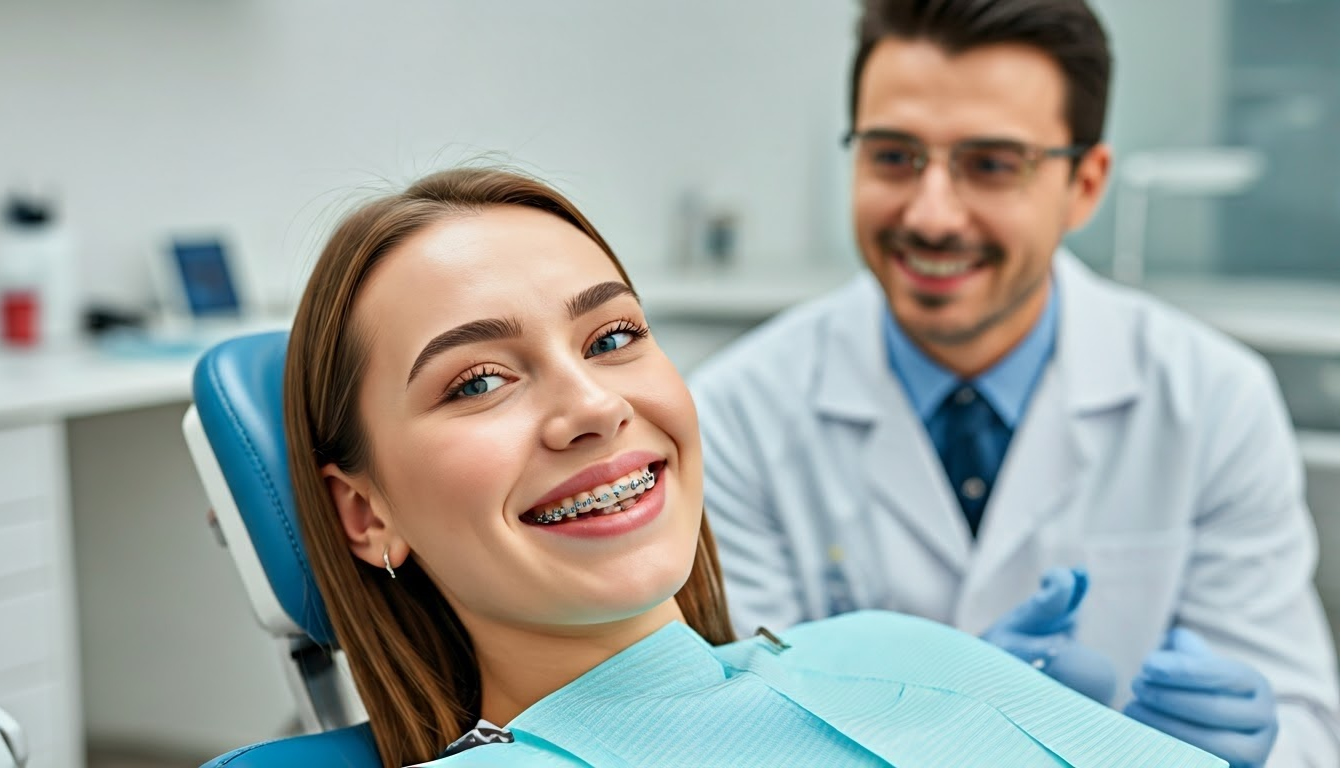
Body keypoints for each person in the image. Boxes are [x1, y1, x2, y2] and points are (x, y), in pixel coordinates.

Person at [280, 166, 1224, 767]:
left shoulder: (888, 649)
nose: (596, 407)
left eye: (612, 336)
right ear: (364, 514)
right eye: (479, 381)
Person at [688, 1, 1340, 766]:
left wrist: (1250, 749)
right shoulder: (736, 413)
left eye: (992, 164)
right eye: (893, 156)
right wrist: (954, 715)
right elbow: (745, 739)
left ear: (1086, 184)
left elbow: (1302, 724)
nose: (932, 215)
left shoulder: (1213, 400)